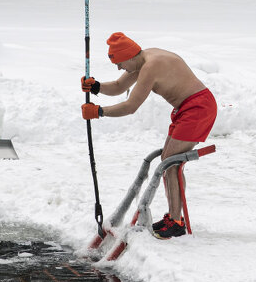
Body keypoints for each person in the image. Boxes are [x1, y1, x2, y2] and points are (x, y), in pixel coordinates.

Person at [81, 32, 217, 239]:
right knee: (169, 162)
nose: (119, 68)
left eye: (119, 63)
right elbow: (119, 87)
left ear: (129, 55)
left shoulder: (151, 66)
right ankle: (174, 216)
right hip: (187, 108)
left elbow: (130, 106)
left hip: (198, 108)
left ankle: (177, 221)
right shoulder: (143, 58)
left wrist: (99, 112)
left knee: (170, 163)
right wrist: (97, 86)